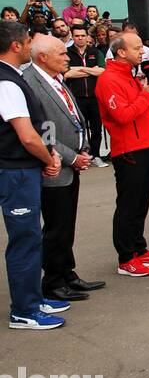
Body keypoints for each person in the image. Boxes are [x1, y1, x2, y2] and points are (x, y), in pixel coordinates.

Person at [22, 33, 104, 303]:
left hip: (70, 163)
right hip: (55, 167)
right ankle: (53, 281)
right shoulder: (31, 83)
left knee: (67, 223)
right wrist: (70, 157)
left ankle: (67, 273)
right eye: (62, 53)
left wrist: (83, 149)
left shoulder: (55, 78)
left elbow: (71, 118)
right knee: (56, 226)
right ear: (43, 57)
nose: (68, 57)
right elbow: (42, 130)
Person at [0, 21, 69, 328]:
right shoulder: (6, 82)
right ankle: (24, 310)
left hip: (23, 169)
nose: (30, 46)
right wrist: (49, 157)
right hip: (16, 171)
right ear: (16, 45)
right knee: (25, 240)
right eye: (28, 41)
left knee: (31, 237)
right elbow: (27, 136)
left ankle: (34, 297)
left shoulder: (12, 77)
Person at [96, 32, 149, 278]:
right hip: (129, 150)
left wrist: (144, 93)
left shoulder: (130, 75)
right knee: (128, 205)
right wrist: (146, 95)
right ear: (121, 52)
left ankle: (140, 249)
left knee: (142, 203)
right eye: (137, 48)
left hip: (146, 145)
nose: (142, 52)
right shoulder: (108, 80)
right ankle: (126, 257)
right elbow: (123, 115)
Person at [65, 25, 106, 166]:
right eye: (77, 36)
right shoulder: (67, 52)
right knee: (79, 129)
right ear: (72, 36)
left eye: (83, 35)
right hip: (76, 98)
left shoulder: (95, 52)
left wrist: (78, 69)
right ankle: (81, 156)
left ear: (87, 36)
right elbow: (66, 72)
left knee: (96, 129)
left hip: (95, 97)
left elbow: (102, 71)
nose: (80, 38)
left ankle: (96, 155)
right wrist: (90, 70)